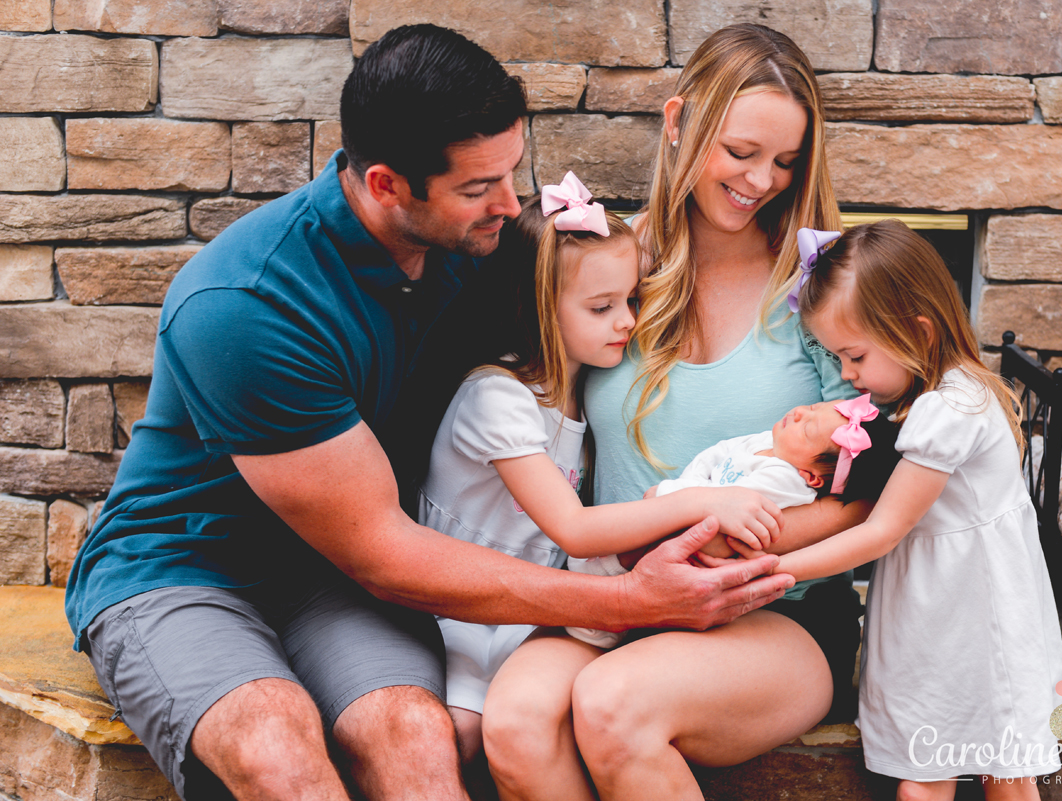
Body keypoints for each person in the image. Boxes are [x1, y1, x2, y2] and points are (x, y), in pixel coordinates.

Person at [63, 25, 795, 801]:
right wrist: (625, 600)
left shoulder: (473, 245)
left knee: (414, 737)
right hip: (183, 569)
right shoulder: (247, 306)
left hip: (329, 585)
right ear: (385, 184)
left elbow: (598, 280)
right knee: (276, 746)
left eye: (510, 173)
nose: (510, 206)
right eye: (479, 190)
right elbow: (379, 548)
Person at [484, 23, 871, 801]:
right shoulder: (607, 266)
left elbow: (863, 490)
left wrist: (725, 554)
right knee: (516, 722)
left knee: (614, 703)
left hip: (772, 608)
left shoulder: (823, 289)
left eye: (786, 162)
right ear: (677, 122)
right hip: (619, 595)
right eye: (741, 152)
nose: (762, 180)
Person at [420, 175, 785, 763]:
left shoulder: (580, 390)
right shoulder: (499, 398)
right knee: (456, 740)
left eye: (631, 301)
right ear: (536, 306)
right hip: (463, 618)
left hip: (535, 615)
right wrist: (704, 501)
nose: (627, 322)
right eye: (602, 307)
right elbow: (575, 529)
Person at [790, 219, 1062, 800]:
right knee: (933, 773)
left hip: (969, 616)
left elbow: (883, 528)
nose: (846, 374)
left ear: (916, 329)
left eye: (855, 354)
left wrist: (779, 570)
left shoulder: (952, 408)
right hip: (936, 612)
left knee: (995, 773)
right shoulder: (937, 393)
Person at [569, 394, 902, 649]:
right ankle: (602, 588)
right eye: (814, 407)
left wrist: (677, 501)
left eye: (808, 427)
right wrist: (682, 492)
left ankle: (605, 616)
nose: (800, 412)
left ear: (812, 477)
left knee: (658, 555)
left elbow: (725, 516)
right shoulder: (764, 444)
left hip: (709, 543)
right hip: (691, 507)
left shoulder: (785, 481)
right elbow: (716, 453)